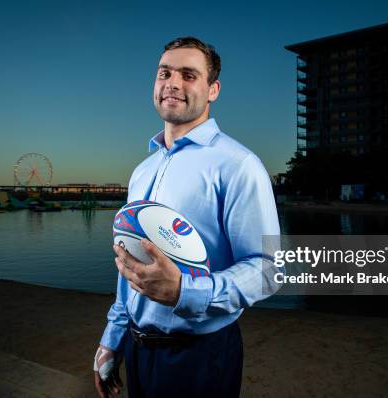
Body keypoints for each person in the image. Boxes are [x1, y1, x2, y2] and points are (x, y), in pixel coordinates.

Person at [94, 36, 281, 398]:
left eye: (188, 75)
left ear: (213, 90)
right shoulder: (142, 171)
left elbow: (268, 269)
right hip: (137, 350)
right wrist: (112, 339)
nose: (172, 83)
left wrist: (184, 291)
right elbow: (130, 266)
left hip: (200, 355)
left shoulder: (238, 165)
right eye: (164, 73)